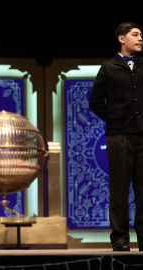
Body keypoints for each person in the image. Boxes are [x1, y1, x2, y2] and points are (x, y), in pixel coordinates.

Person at [89, 22, 143, 252]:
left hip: (142, 135)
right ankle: (120, 238)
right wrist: (114, 119)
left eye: (141, 35)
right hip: (119, 136)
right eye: (135, 35)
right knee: (119, 190)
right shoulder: (108, 67)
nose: (141, 38)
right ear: (122, 39)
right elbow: (95, 102)